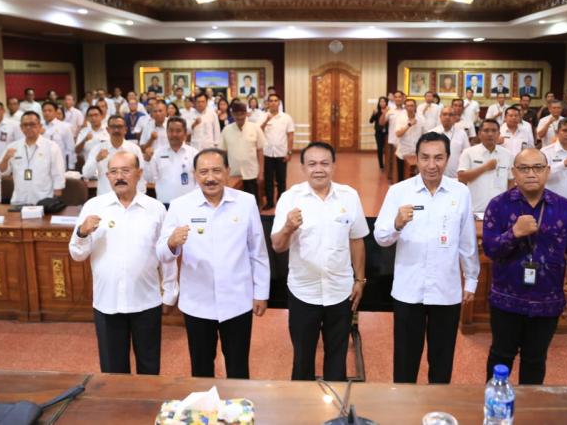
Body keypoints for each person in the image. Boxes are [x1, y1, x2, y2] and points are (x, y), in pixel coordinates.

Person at [374, 132, 479, 384]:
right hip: (408, 290)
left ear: (448, 159)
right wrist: (397, 224)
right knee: (405, 362)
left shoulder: (460, 192)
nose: (432, 165)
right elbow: (380, 237)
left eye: (438, 158)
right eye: (425, 158)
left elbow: (467, 240)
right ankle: (403, 405)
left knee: (442, 362)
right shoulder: (399, 191)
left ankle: (437, 405)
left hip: (446, 290)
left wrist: (472, 279)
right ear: (417, 158)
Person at [157, 149, 270, 378]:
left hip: (237, 300)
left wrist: (261, 293)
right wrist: (171, 242)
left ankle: (237, 403)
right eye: (204, 172)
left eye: (217, 171)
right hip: (197, 303)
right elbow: (161, 253)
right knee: (201, 369)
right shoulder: (180, 206)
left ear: (227, 171)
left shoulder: (245, 202)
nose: (210, 178)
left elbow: (257, 251)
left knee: (238, 368)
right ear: (195, 174)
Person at [482, 148, 567, 385]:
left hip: (547, 302)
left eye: (538, 168)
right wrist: (514, 233)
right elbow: (490, 250)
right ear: (514, 172)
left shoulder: (566, 209)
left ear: (548, 171)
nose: (531, 173)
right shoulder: (498, 205)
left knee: (535, 360)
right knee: (500, 356)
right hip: (506, 301)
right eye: (524, 168)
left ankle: (530, 406)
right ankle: (495, 402)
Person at [271, 142, 368, 381]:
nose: (318, 169)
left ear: (334, 166)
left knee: (337, 360)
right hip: (303, 292)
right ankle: (302, 404)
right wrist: (288, 227)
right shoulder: (290, 198)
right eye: (312, 164)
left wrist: (360, 279)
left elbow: (356, 240)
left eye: (325, 163)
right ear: (303, 167)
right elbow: (278, 246)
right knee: (302, 360)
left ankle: (335, 403)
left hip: (340, 292)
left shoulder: (349, 196)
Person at [70, 151, 174, 375]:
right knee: (113, 372)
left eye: (125, 171)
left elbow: (166, 254)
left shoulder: (155, 208)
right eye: (114, 172)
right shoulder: (93, 206)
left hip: (146, 300)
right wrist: (82, 233)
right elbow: (77, 254)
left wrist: (169, 291)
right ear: (107, 176)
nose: (119, 177)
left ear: (139, 173)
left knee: (149, 368)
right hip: (108, 302)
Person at [0, 111, 65, 205]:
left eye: (32, 124)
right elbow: (2, 172)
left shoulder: (51, 146)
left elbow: (58, 173)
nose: (28, 128)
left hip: (43, 200)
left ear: (40, 126)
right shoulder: (13, 147)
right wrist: (5, 159)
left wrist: (55, 198)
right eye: (25, 125)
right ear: (21, 127)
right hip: (19, 200)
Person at [457, 119, 513, 212]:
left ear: (499, 134)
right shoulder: (468, 153)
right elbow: (461, 177)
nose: (490, 134)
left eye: (494, 131)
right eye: (486, 131)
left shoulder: (508, 154)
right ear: (479, 134)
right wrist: (485, 167)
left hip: (500, 210)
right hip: (475, 210)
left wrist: (509, 204)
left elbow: (510, 181)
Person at [83, 115, 145, 196]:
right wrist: (96, 160)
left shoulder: (134, 149)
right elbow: (86, 174)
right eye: (113, 127)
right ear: (108, 130)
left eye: (119, 127)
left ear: (125, 129)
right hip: (105, 197)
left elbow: (140, 176)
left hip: (128, 197)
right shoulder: (98, 149)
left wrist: (139, 196)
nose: (116, 130)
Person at [145, 117, 197, 206]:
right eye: (171, 131)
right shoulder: (157, 153)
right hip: (164, 203)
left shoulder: (194, 153)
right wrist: (147, 161)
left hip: (189, 204)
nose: (174, 134)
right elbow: (149, 179)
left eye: (178, 131)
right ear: (167, 132)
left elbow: (199, 181)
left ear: (185, 133)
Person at [220, 102, 265, 201]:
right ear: (232, 114)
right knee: (235, 203)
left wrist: (261, 172)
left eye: (242, 114)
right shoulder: (226, 130)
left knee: (253, 201)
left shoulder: (255, 128)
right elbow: (223, 154)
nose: (239, 117)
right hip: (234, 174)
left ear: (246, 113)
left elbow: (260, 151)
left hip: (252, 173)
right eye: (236, 114)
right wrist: (224, 173)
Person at [260, 93, 295, 209]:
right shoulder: (263, 116)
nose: (273, 103)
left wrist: (289, 152)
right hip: (267, 153)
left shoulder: (286, 118)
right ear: (268, 103)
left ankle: (281, 202)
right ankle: (270, 202)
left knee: (281, 180)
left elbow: (290, 136)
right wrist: (266, 121)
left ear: (279, 103)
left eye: (276, 100)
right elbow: (258, 132)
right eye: (271, 101)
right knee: (268, 180)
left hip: (281, 153)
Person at [430, 106, 470, 178]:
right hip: (435, 175)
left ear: (455, 118)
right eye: (444, 114)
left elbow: (467, 154)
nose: (447, 117)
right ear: (440, 117)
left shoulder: (462, 134)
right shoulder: (431, 133)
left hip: (455, 176)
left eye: (450, 115)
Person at [394, 99, 424, 183]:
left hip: (416, 153)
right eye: (408, 106)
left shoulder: (421, 118)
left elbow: (424, 134)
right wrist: (409, 125)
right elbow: (398, 134)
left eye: (412, 106)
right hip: (403, 152)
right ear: (405, 107)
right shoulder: (400, 118)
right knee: (401, 178)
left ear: (415, 107)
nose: (410, 108)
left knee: (415, 178)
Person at [41, 101, 76, 170]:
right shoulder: (38, 126)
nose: (47, 113)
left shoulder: (64, 127)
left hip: (59, 165)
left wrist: (71, 166)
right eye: (44, 111)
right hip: (42, 164)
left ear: (56, 112)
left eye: (50, 110)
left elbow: (70, 148)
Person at [380, 91, 406, 182]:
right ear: (394, 99)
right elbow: (381, 123)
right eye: (396, 97)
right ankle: (391, 182)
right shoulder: (390, 110)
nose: (398, 99)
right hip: (393, 141)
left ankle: (403, 181)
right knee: (392, 162)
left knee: (403, 164)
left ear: (403, 98)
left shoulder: (407, 110)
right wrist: (384, 113)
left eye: (400, 97)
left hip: (405, 141)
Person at [369, 96, 389, 171]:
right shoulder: (377, 111)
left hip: (387, 133)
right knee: (380, 148)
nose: (382, 103)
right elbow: (371, 121)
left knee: (388, 149)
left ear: (386, 102)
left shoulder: (389, 111)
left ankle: (388, 164)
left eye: (384, 101)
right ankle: (381, 165)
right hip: (379, 133)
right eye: (381, 101)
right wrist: (373, 114)